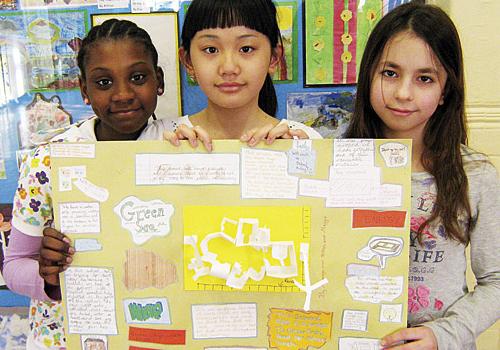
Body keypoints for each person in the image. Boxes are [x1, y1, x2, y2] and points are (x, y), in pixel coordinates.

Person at [3, 19, 167, 349]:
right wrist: (48, 276)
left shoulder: (183, 148)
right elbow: (13, 266)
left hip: (155, 331)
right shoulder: (50, 160)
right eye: (104, 82)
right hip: (66, 337)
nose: (122, 94)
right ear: (84, 91)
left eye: (137, 77)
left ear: (158, 80)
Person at [345, 3, 499, 350]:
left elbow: (497, 281)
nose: (403, 93)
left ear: (445, 91)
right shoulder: (336, 163)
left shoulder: (475, 175)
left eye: (425, 79)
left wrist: (442, 335)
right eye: (390, 73)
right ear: (369, 73)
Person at [139, 0, 322, 149]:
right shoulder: (158, 138)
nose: (228, 67)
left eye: (246, 48)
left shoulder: (304, 141)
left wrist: (299, 163)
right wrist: (164, 161)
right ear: (188, 61)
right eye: (211, 49)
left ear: (274, 58)